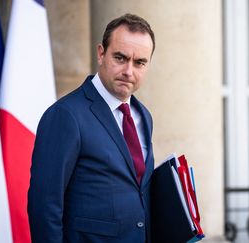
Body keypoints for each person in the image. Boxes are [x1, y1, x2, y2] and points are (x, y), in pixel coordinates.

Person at [28, 13, 156, 243]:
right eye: (120, 57)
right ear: (101, 53)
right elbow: (44, 205)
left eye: (139, 63)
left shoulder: (143, 116)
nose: (129, 71)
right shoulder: (65, 115)